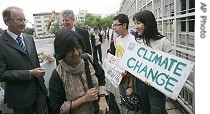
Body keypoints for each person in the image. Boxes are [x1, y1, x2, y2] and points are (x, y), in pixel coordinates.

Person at [0, 6, 48, 114]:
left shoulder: (29, 38)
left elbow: (34, 61)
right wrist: (30, 73)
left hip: (39, 90)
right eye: (19, 20)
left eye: (24, 20)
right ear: (7, 21)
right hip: (20, 97)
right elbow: (2, 74)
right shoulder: (1, 43)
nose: (23, 23)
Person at [49, 28, 109, 114]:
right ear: (62, 51)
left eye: (78, 47)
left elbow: (101, 77)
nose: (76, 53)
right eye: (70, 50)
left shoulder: (89, 59)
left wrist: (102, 97)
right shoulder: (58, 75)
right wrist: (84, 99)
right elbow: (57, 108)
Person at [133, 10, 172, 114]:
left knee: (157, 110)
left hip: (156, 87)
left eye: (139, 23)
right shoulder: (137, 41)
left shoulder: (163, 42)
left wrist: (154, 79)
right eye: (135, 23)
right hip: (140, 84)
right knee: (145, 110)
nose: (136, 27)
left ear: (148, 23)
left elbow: (170, 67)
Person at [113, 14, 138, 114]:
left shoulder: (133, 41)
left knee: (131, 103)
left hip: (129, 79)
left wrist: (131, 85)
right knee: (124, 100)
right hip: (119, 77)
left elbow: (133, 65)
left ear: (124, 25)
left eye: (116, 25)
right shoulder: (118, 39)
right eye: (113, 25)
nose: (114, 28)